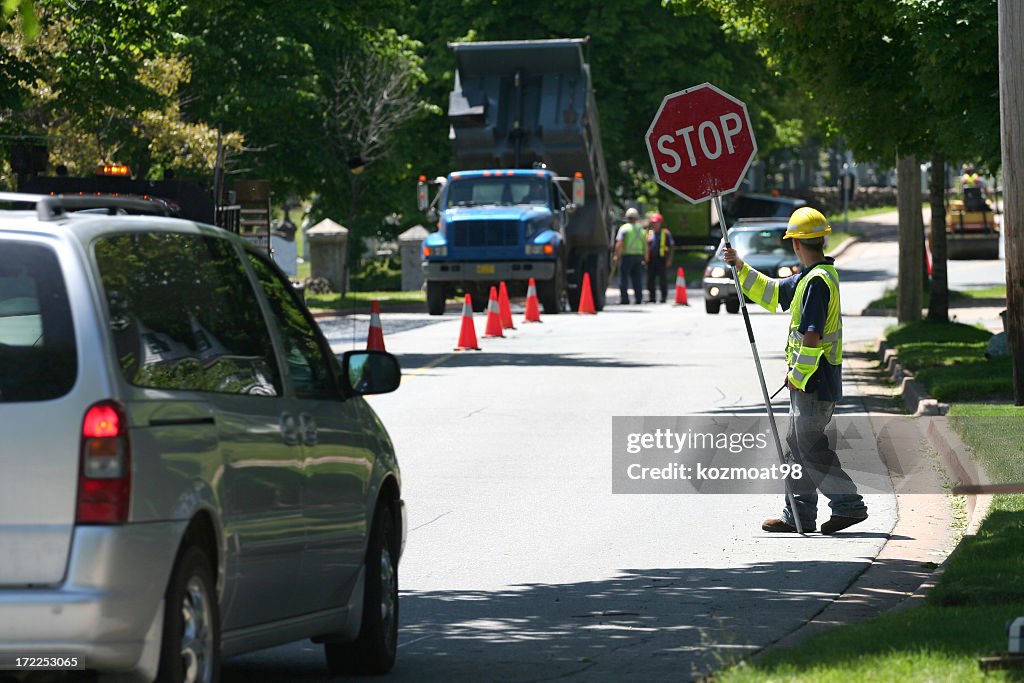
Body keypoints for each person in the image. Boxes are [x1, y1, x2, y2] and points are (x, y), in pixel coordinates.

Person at [723, 207, 868, 535]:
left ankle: (847, 506)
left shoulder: (816, 282)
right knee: (799, 445)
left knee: (806, 446)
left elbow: (812, 335)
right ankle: (799, 515)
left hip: (814, 382)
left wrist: (798, 376)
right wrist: (740, 267)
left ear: (796, 244)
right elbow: (773, 293)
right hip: (815, 381)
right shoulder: (812, 276)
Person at [614, 207, 646, 304]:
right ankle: (638, 298)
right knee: (637, 279)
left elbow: (619, 243)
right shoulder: (641, 229)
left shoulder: (624, 228)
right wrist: (645, 256)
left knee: (624, 279)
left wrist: (617, 256)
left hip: (626, 256)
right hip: (638, 257)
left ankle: (625, 299)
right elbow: (646, 244)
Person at [645, 213, 674, 303]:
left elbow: (672, 246)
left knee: (662, 280)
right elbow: (646, 247)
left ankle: (663, 297)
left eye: (656, 223)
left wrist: (669, 259)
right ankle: (652, 298)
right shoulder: (649, 233)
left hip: (661, 259)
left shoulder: (665, 233)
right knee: (650, 280)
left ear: (660, 223)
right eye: (653, 223)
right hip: (651, 260)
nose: (654, 225)